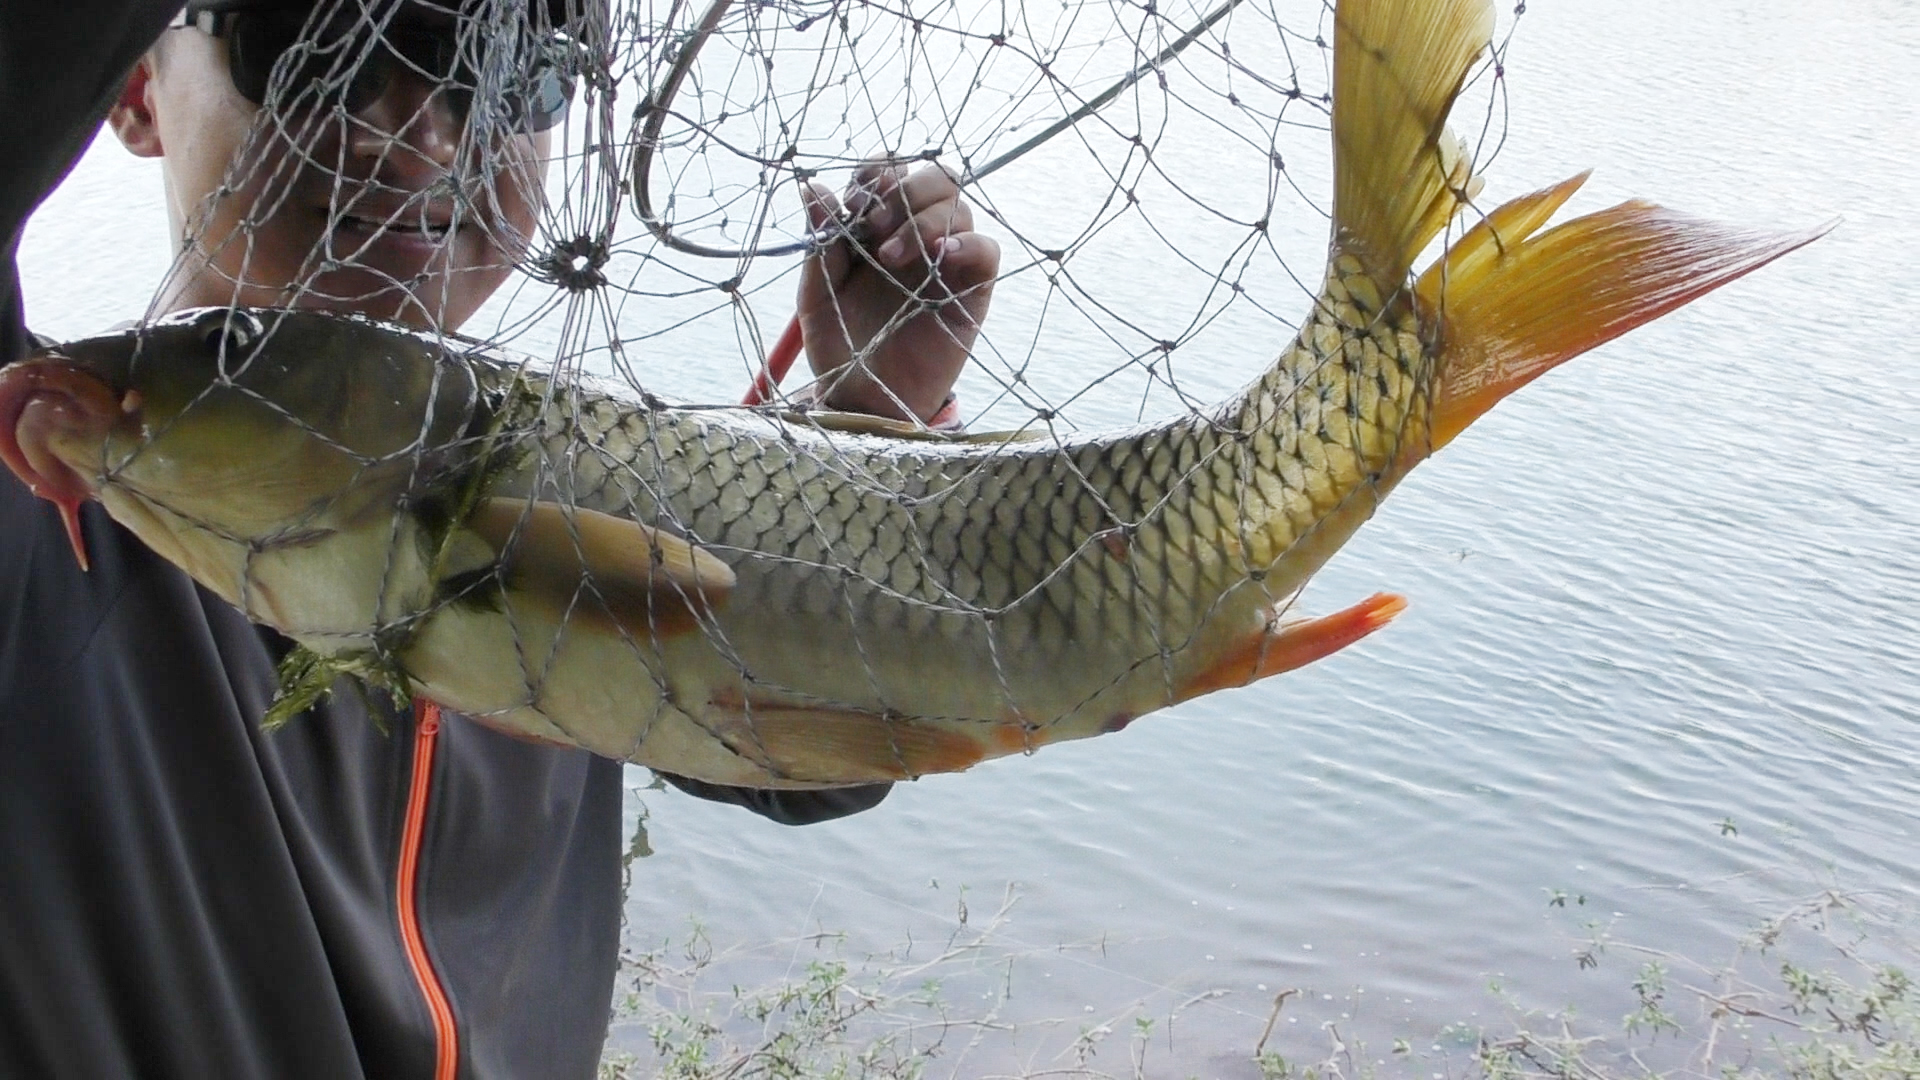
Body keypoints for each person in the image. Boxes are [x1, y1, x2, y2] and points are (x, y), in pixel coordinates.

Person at [0, 0, 1000, 1075]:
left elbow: (808, 755)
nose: (422, 132)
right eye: (307, 43)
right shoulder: (45, 483)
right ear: (136, 88)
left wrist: (873, 416)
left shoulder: (557, 470)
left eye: (507, 67)